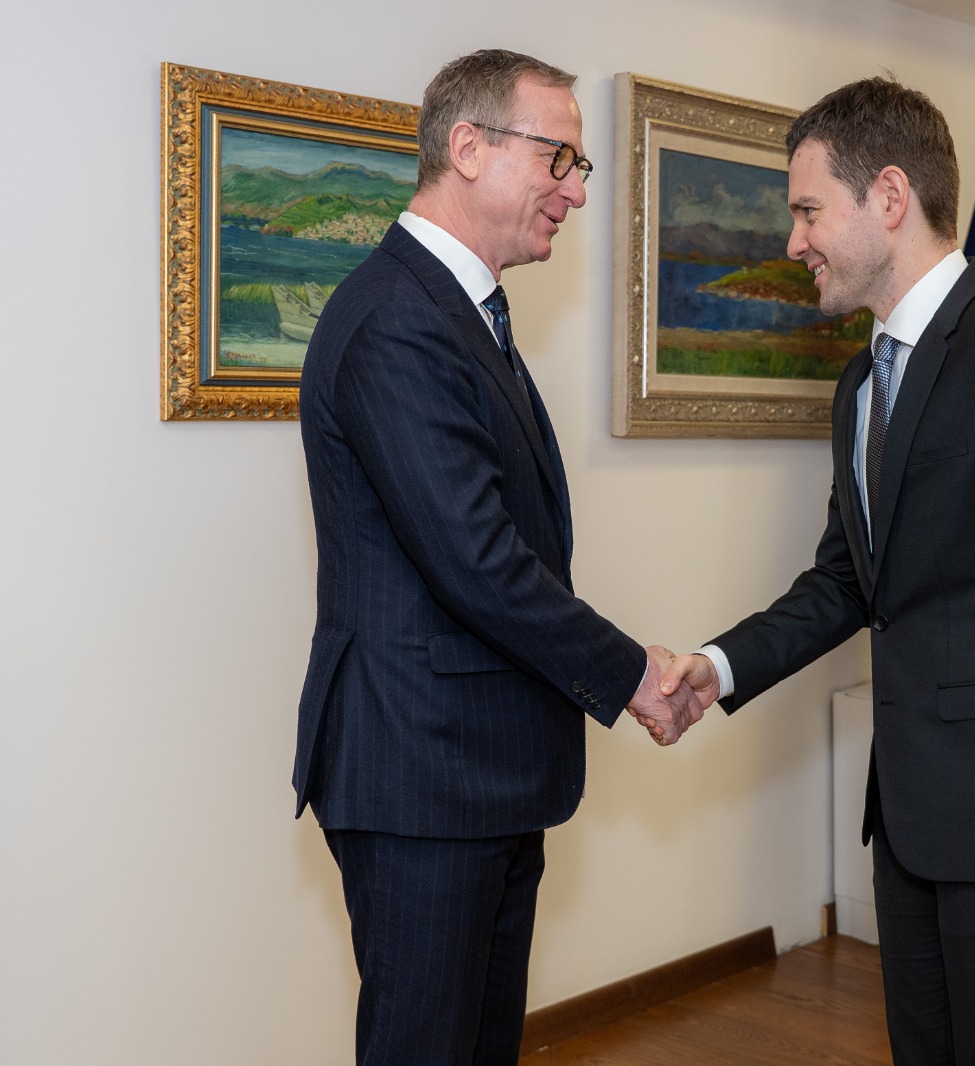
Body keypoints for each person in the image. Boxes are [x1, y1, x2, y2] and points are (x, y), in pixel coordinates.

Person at [659, 77, 975, 1065]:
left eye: (807, 211)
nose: (793, 241)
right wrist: (719, 665)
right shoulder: (861, 382)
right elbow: (848, 581)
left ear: (888, 196)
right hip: (914, 824)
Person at [293, 49, 699, 1066]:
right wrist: (632, 675)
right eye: (558, 157)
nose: (575, 190)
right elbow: (479, 561)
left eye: (579, 166)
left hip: (478, 770)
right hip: (422, 774)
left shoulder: (455, 308)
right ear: (467, 147)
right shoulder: (397, 320)